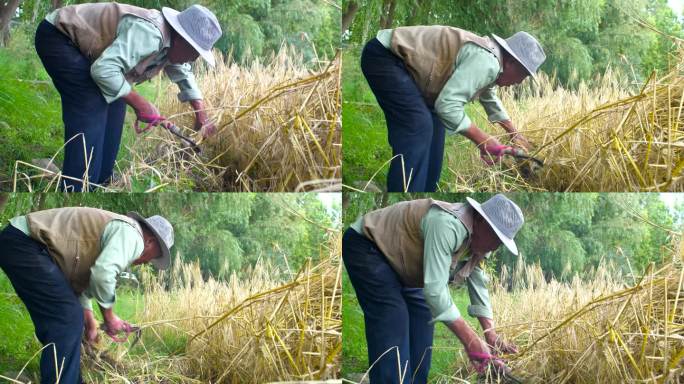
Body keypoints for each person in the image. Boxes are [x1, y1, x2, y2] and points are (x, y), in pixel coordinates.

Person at [34, 2, 223, 191]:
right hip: (60, 36)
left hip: (90, 53)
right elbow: (103, 70)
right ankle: (77, 186)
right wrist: (140, 103)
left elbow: (184, 73)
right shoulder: (150, 34)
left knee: (117, 103)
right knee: (91, 102)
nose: (194, 59)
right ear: (182, 39)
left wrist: (201, 115)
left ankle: (102, 179)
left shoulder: (174, 44)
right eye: (195, 52)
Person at [343, 194, 523, 383]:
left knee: (423, 318)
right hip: (369, 245)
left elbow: (478, 284)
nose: (495, 247)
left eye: (501, 242)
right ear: (480, 219)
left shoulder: (479, 242)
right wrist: (471, 341)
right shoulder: (447, 225)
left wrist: (490, 334)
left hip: (405, 266)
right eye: (496, 237)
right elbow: (435, 292)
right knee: (393, 316)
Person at [360, 26, 546, 192]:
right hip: (386, 57)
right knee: (418, 126)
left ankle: (425, 189)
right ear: (511, 62)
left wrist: (514, 132)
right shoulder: (487, 62)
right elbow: (447, 105)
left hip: (410, 72)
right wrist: (482, 139)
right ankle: (405, 192)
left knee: (436, 133)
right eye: (522, 75)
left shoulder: (493, 61)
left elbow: (489, 97)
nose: (519, 82)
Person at [0, 207, 174, 384]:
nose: (147, 262)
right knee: (66, 318)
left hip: (22, 243)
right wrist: (109, 317)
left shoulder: (121, 231)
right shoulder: (133, 236)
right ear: (150, 242)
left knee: (67, 318)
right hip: (25, 243)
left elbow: (82, 282)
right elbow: (102, 274)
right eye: (154, 257)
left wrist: (90, 322)